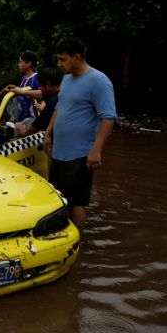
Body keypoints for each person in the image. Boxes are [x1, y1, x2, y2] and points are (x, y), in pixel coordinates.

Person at [44, 37, 117, 234]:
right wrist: (48, 133)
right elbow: (60, 107)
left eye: (63, 59)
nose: (59, 64)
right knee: (59, 198)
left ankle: (76, 245)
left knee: (77, 202)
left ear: (77, 57)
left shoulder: (99, 81)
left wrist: (96, 150)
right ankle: (62, 238)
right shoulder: (67, 78)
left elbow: (108, 118)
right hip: (60, 153)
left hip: (80, 154)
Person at [15, 67, 62, 136]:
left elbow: (36, 126)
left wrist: (22, 130)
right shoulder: (64, 91)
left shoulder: (53, 104)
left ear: (48, 84)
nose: (39, 88)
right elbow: (40, 94)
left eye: (40, 85)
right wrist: (22, 92)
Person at [9, 50, 41, 125]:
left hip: (31, 119)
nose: (18, 64)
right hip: (21, 119)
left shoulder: (35, 78)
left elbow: (41, 93)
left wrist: (22, 91)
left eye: (21, 62)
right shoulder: (23, 78)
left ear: (29, 64)